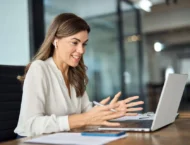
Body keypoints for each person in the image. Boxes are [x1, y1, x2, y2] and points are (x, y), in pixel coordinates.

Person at [14, 13, 144, 137]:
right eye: (74, 43)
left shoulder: (75, 74)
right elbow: (29, 125)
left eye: (84, 44)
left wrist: (111, 111)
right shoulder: (39, 69)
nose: (81, 50)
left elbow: (87, 115)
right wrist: (83, 119)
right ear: (55, 41)